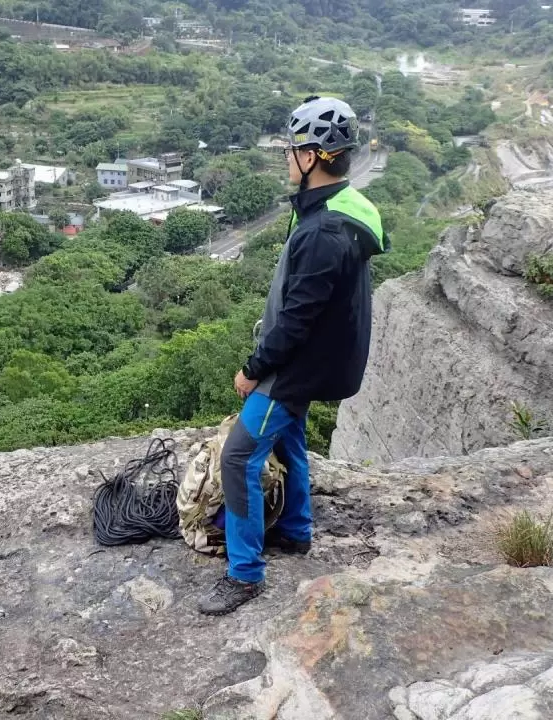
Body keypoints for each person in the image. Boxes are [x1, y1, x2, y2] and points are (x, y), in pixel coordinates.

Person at [197, 96, 390, 616]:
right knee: (292, 438)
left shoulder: (323, 231)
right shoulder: (340, 211)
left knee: (238, 456)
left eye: (293, 149)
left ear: (315, 157)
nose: (287, 157)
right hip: (321, 362)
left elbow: (296, 319)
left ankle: (243, 574)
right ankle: (297, 531)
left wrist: (253, 370)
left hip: (296, 367)